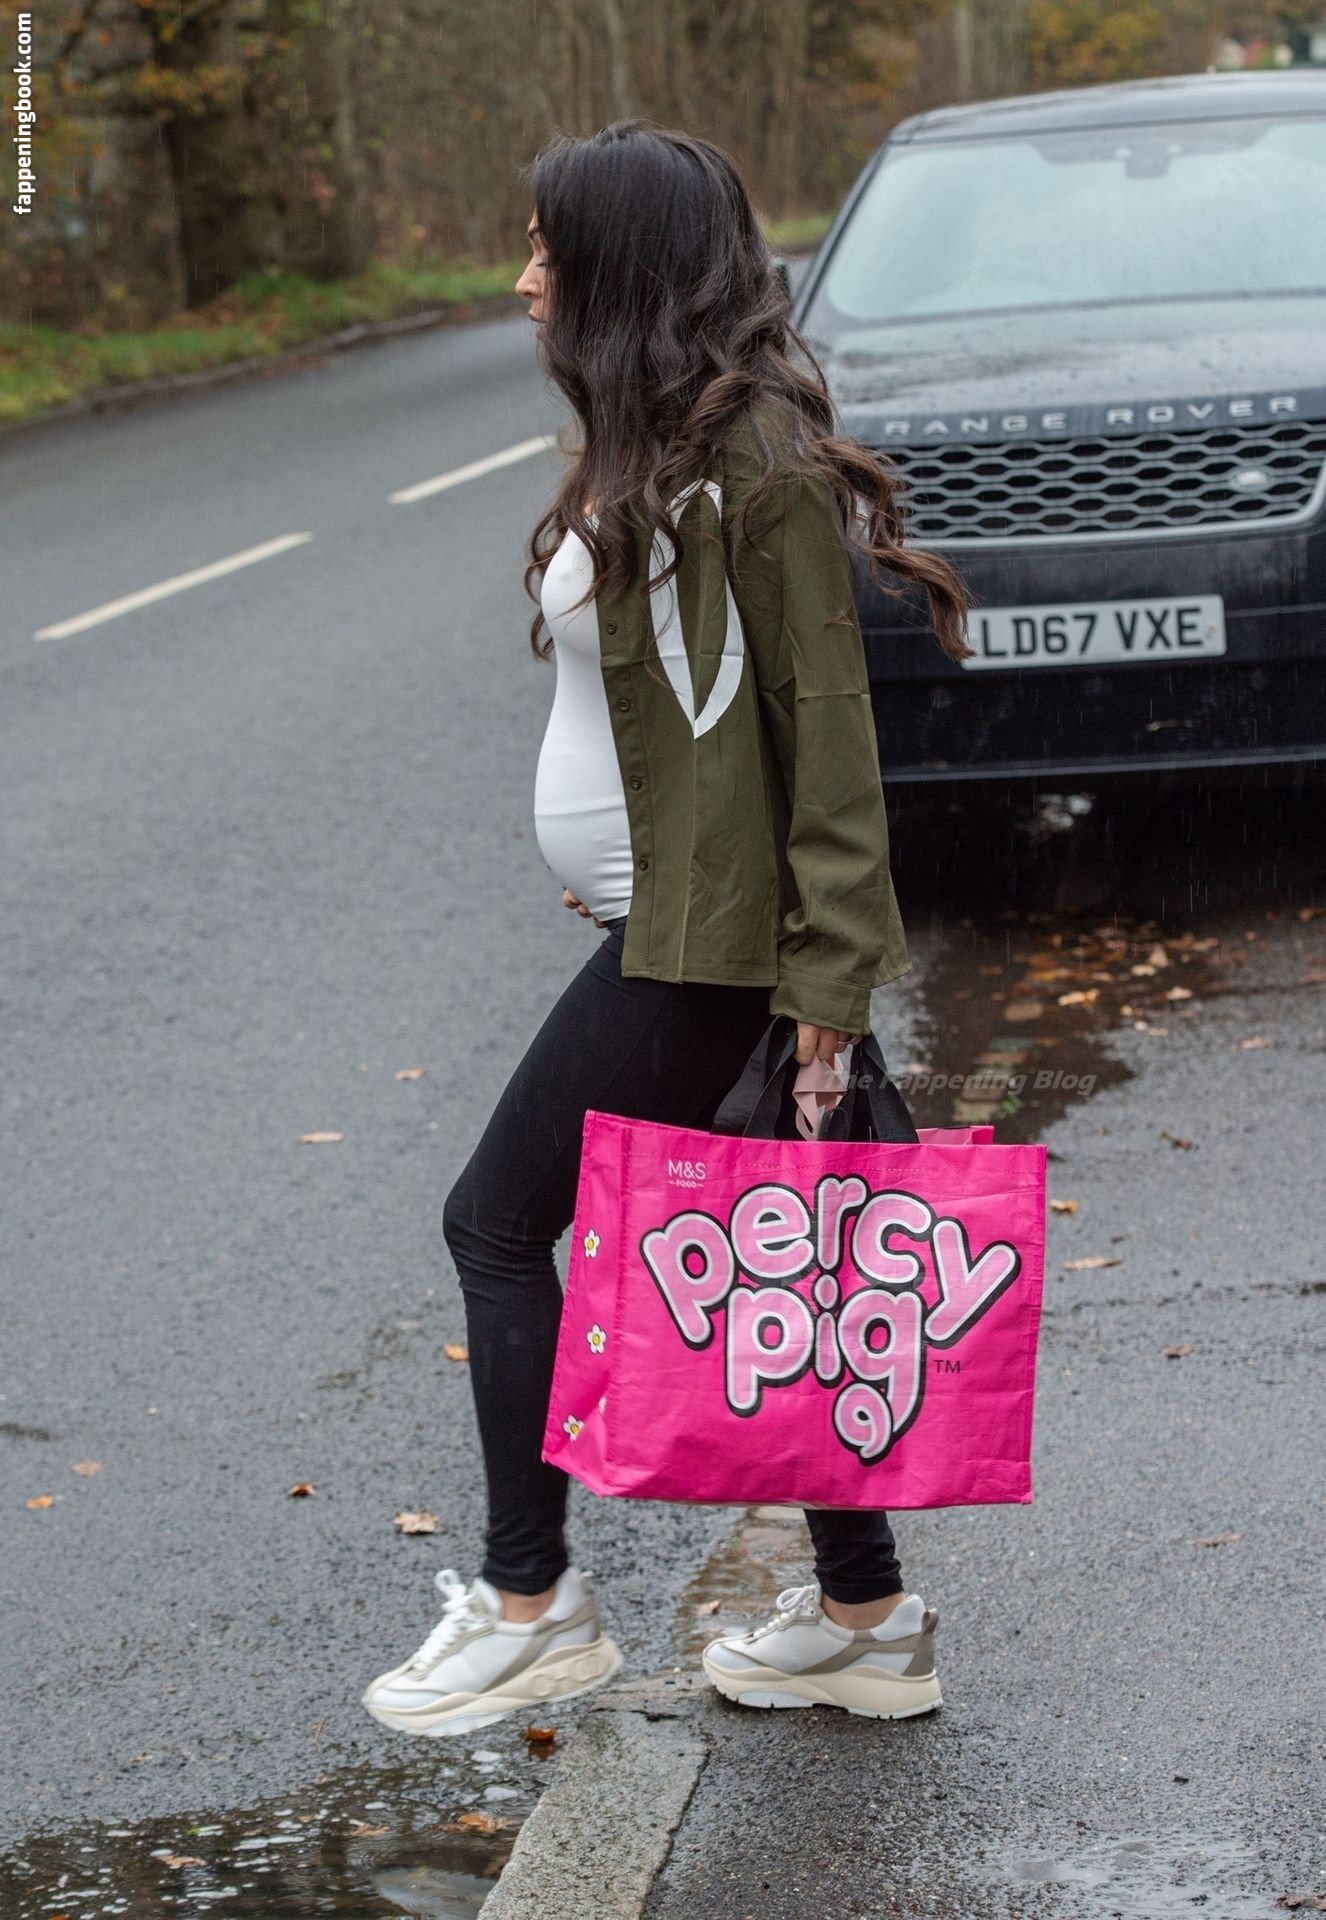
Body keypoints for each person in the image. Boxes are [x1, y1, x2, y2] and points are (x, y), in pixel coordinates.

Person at [361, 120, 970, 1740]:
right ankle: (865, 1621)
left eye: (548, 249)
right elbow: (665, 713)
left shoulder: (754, 463)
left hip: (715, 945)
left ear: (622, 269)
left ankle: (531, 1605)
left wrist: (827, 998)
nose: (523, 279)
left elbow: (826, 740)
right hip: (677, 913)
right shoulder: (658, 441)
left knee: (497, 1226)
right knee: (799, 1252)